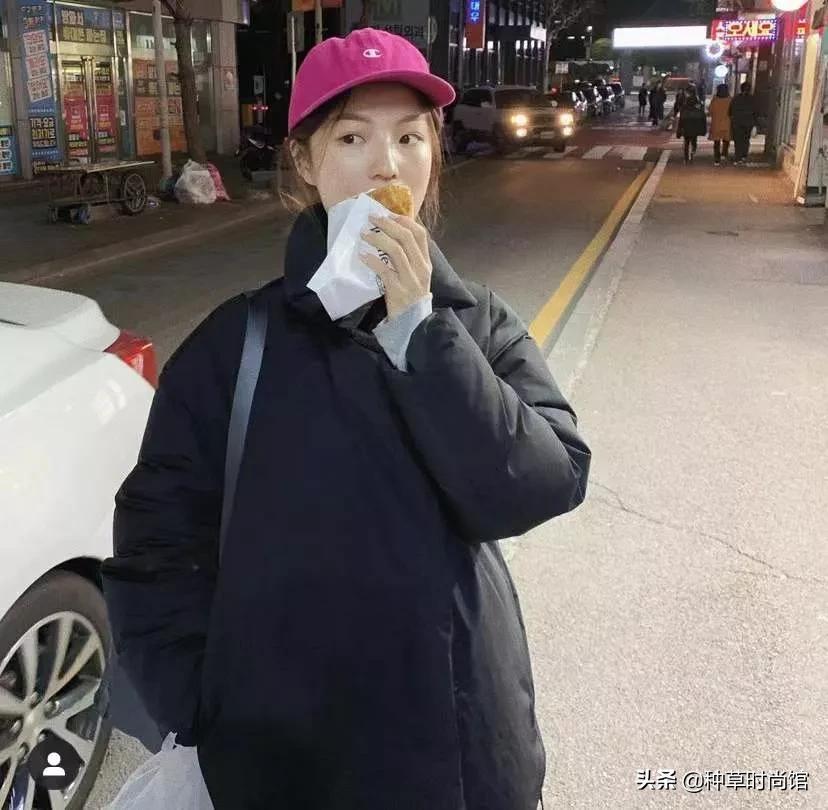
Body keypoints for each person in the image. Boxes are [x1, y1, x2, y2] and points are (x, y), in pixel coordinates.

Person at [101, 27, 591, 810]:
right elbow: (155, 543)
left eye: (409, 138)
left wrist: (422, 333)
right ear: (306, 161)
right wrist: (204, 707)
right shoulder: (238, 344)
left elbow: (540, 485)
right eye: (353, 137)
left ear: (433, 156)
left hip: (465, 749)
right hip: (286, 762)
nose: (385, 164)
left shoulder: (479, 325)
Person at [676, 91, 707, 164]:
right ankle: (693, 151)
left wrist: (679, 131)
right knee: (694, 140)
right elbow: (703, 120)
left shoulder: (684, 109)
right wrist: (703, 130)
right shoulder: (699, 110)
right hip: (695, 129)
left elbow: (681, 121)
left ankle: (686, 158)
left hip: (686, 129)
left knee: (686, 143)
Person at [730, 81, 756, 165]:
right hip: (748, 122)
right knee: (746, 139)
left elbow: (730, 111)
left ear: (741, 89)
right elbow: (756, 111)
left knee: (738, 140)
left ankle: (738, 157)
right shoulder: (753, 99)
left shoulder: (736, 98)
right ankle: (744, 155)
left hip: (737, 122)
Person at [708, 83, 733, 166]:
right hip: (727, 123)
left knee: (716, 142)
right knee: (726, 140)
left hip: (716, 124)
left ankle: (717, 158)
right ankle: (724, 154)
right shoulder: (730, 100)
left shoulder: (715, 100)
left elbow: (710, 111)